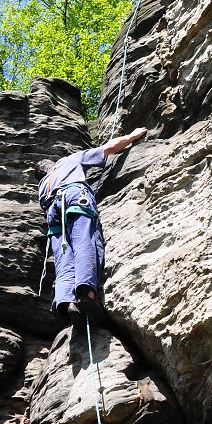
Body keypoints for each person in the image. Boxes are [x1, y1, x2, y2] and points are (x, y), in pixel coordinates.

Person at [37, 128, 147, 329]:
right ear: (53, 164)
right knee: (84, 241)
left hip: (53, 212)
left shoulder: (43, 185)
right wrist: (133, 136)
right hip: (73, 195)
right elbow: (109, 148)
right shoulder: (68, 161)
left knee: (64, 257)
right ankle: (87, 295)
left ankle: (66, 302)